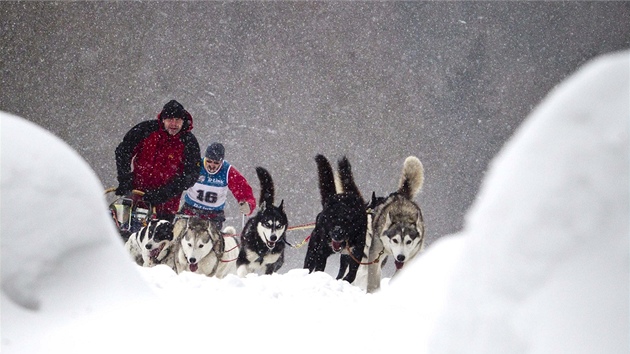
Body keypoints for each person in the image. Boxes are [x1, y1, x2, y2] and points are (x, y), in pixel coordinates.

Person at [115, 100, 201, 222]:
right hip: (136, 196)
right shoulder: (146, 130)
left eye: (178, 120)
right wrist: (125, 179)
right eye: (170, 119)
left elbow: (191, 174)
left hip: (166, 206)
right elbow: (123, 151)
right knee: (126, 236)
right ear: (163, 119)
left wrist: (164, 193)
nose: (174, 124)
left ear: (183, 121)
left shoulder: (189, 142)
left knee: (159, 240)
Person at [180, 142, 256, 230]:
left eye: (216, 163)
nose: (211, 165)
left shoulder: (227, 171)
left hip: (213, 215)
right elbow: (178, 182)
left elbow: (244, 190)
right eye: (209, 161)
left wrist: (249, 205)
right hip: (190, 210)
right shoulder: (196, 165)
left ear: (221, 161)